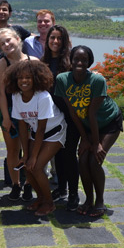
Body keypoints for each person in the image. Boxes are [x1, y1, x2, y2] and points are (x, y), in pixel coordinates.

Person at [54, 45, 123, 217]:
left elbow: (92, 113)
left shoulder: (97, 81)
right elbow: (73, 112)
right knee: (82, 159)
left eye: (84, 60)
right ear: (70, 60)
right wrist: (84, 139)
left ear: (89, 62)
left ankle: (99, 201)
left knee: (94, 160)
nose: (79, 62)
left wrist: (96, 143)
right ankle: (88, 200)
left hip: (108, 122)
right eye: (76, 59)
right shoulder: (62, 79)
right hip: (87, 124)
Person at [5, 60, 66, 216]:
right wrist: (26, 155)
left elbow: (42, 129)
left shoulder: (43, 97)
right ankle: (41, 198)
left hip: (54, 131)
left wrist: (33, 156)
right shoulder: (16, 96)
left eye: (28, 77)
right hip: (36, 132)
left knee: (37, 166)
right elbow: (22, 126)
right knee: (27, 166)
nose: (23, 81)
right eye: (20, 78)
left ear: (36, 79)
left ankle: (49, 203)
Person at [0, 28, 39, 201]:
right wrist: (5, 117)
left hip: (30, 113)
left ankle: (28, 183)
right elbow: (0, 93)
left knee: (28, 149)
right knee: (12, 150)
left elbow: (40, 90)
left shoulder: (33, 61)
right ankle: (15, 184)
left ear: (17, 39)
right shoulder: (2, 64)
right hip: (11, 112)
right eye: (2, 43)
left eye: (8, 40)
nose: (6, 45)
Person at [40, 25, 80, 211]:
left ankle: (73, 193)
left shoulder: (70, 63)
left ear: (65, 41)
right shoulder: (44, 62)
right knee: (58, 156)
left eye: (59, 38)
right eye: (52, 38)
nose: (55, 41)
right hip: (53, 118)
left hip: (70, 117)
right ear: (47, 40)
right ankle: (61, 189)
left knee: (69, 156)